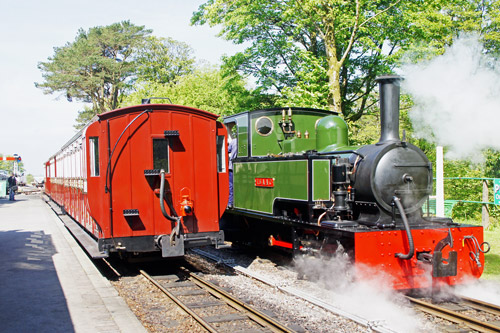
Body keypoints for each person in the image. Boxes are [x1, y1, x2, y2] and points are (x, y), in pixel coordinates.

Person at [227, 124, 238, 207]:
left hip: (232, 166)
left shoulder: (234, 141)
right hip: (242, 168)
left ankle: (230, 202)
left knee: (231, 185)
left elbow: (227, 150)